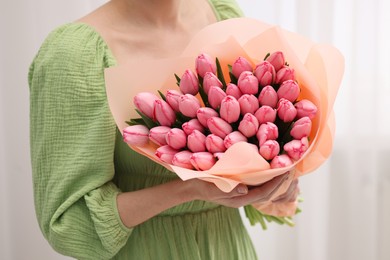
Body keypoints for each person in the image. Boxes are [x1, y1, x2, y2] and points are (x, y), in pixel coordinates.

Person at [28, 0, 299, 259]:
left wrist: (273, 187)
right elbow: (67, 223)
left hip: (229, 246)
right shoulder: (73, 55)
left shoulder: (223, 13)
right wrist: (189, 190)